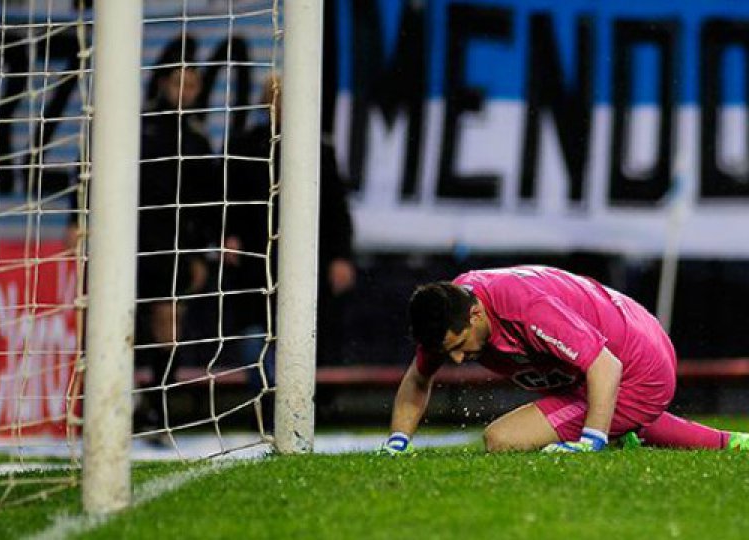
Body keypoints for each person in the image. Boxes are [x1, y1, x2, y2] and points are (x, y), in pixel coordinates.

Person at [380, 265, 749, 454]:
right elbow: (417, 379)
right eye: (449, 352)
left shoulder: (525, 307)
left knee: (501, 440)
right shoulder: (448, 312)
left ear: (477, 314)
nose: (458, 359)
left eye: (460, 345)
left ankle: (612, 432)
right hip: (626, 339)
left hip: (636, 366)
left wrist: (591, 440)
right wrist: (398, 442)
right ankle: (729, 443)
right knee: (604, 407)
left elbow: (607, 367)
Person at [225, 75, 356, 429]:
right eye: (274, 97)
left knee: (304, 334)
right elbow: (227, 201)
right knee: (256, 337)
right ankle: (267, 408)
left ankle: (304, 409)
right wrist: (226, 235)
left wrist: (342, 257)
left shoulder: (318, 149)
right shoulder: (243, 146)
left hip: (307, 262)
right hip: (256, 260)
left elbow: (336, 209)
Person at [132, 37, 221, 438]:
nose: (184, 92)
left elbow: (207, 202)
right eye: (178, 84)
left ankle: (158, 406)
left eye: (191, 85)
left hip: (176, 243)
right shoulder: (138, 128)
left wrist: (203, 252)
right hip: (131, 240)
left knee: (169, 320)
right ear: (163, 83)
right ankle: (123, 400)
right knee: (125, 322)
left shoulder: (199, 140)